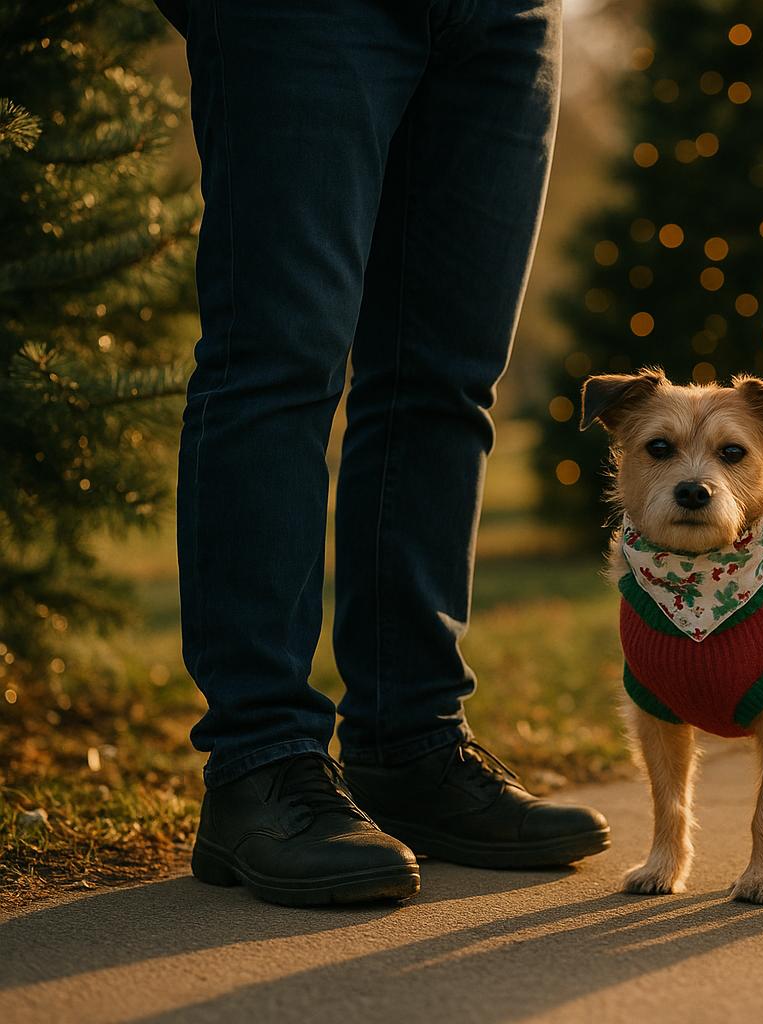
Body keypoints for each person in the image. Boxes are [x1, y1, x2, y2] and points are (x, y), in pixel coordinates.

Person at [155, 0, 608, 907]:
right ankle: (259, 766)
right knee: (278, 362)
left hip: (507, 16)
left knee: (444, 382)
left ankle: (412, 747)